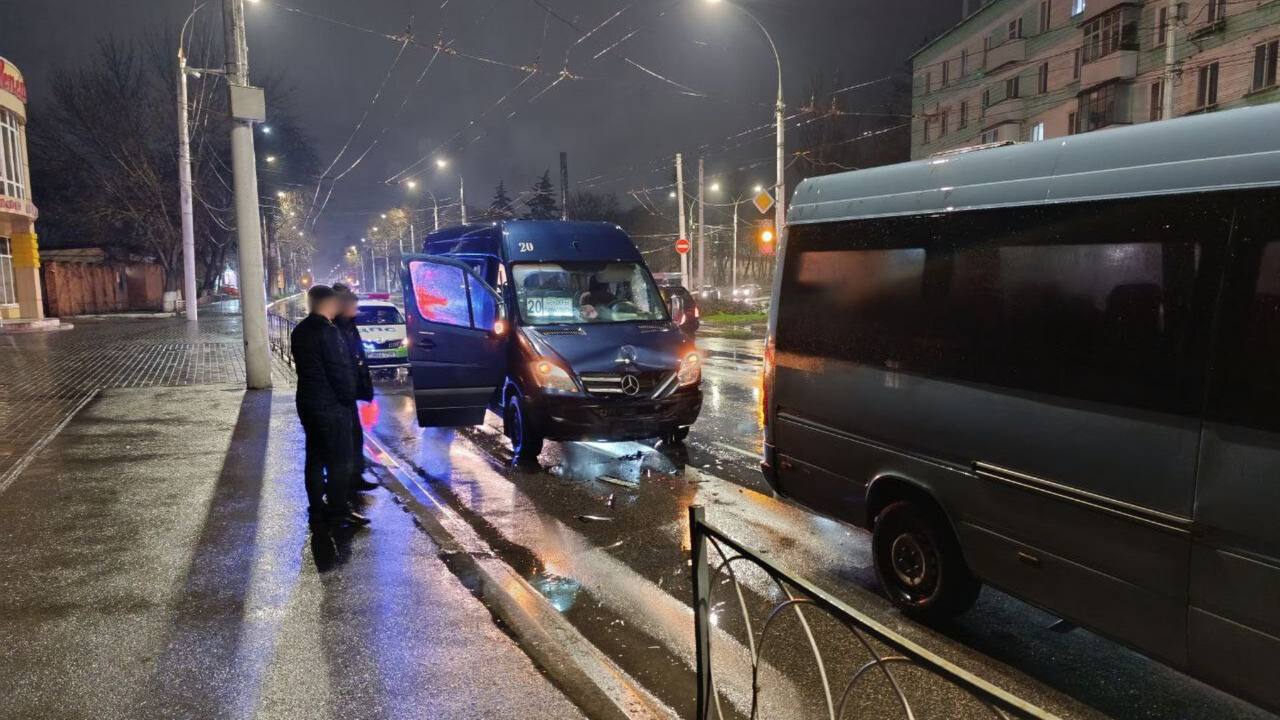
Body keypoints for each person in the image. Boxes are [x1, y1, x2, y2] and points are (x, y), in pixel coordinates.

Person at [291, 285, 370, 528]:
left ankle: (317, 508)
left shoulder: (299, 331)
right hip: (331, 406)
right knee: (340, 460)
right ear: (326, 303)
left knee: (314, 458)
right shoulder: (329, 332)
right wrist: (349, 399)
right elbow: (340, 372)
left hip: (307, 402)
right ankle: (338, 511)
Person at [332, 283, 378, 495]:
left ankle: (355, 477)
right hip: (338, 396)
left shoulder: (349, 326)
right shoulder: (335, 329)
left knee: (355, 436)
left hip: (348, 393)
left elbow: (359, 358)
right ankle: (342, 493)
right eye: (353, 305)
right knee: (344, 441)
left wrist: (364, 387)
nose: (357, 310)